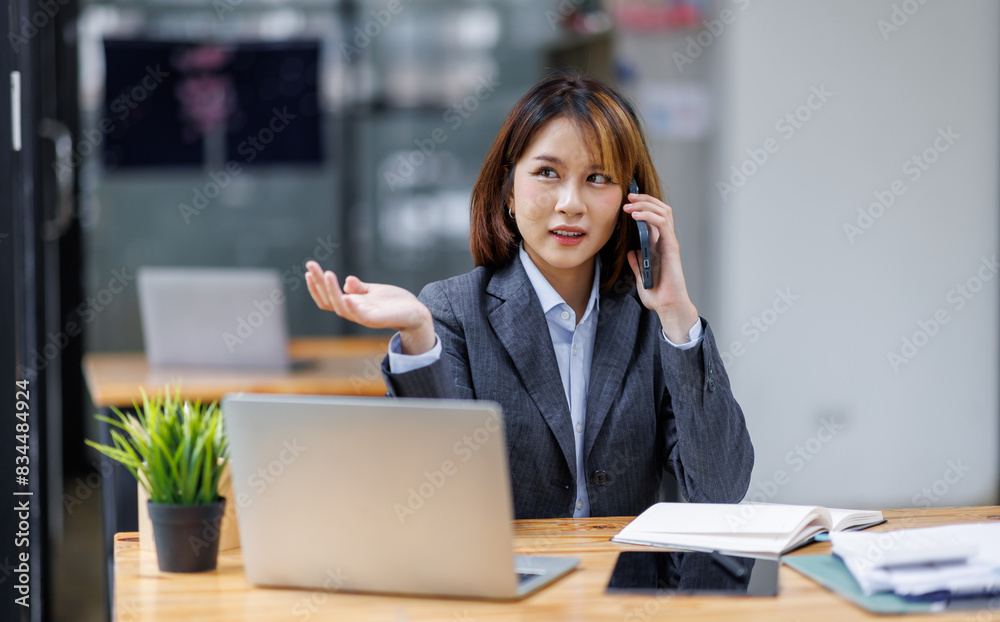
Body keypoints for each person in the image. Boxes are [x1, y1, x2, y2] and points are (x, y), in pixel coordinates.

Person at [305, 72, 753, 519]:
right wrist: (420, 337)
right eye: (547, 173)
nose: (570, 203)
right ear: (509, 191)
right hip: (512, 582)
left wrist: (677, 314)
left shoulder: (653, 321)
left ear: (628, 202)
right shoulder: (455, 312)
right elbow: (437, 493)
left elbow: (719, 491)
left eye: (598, 178)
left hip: (626, 586)